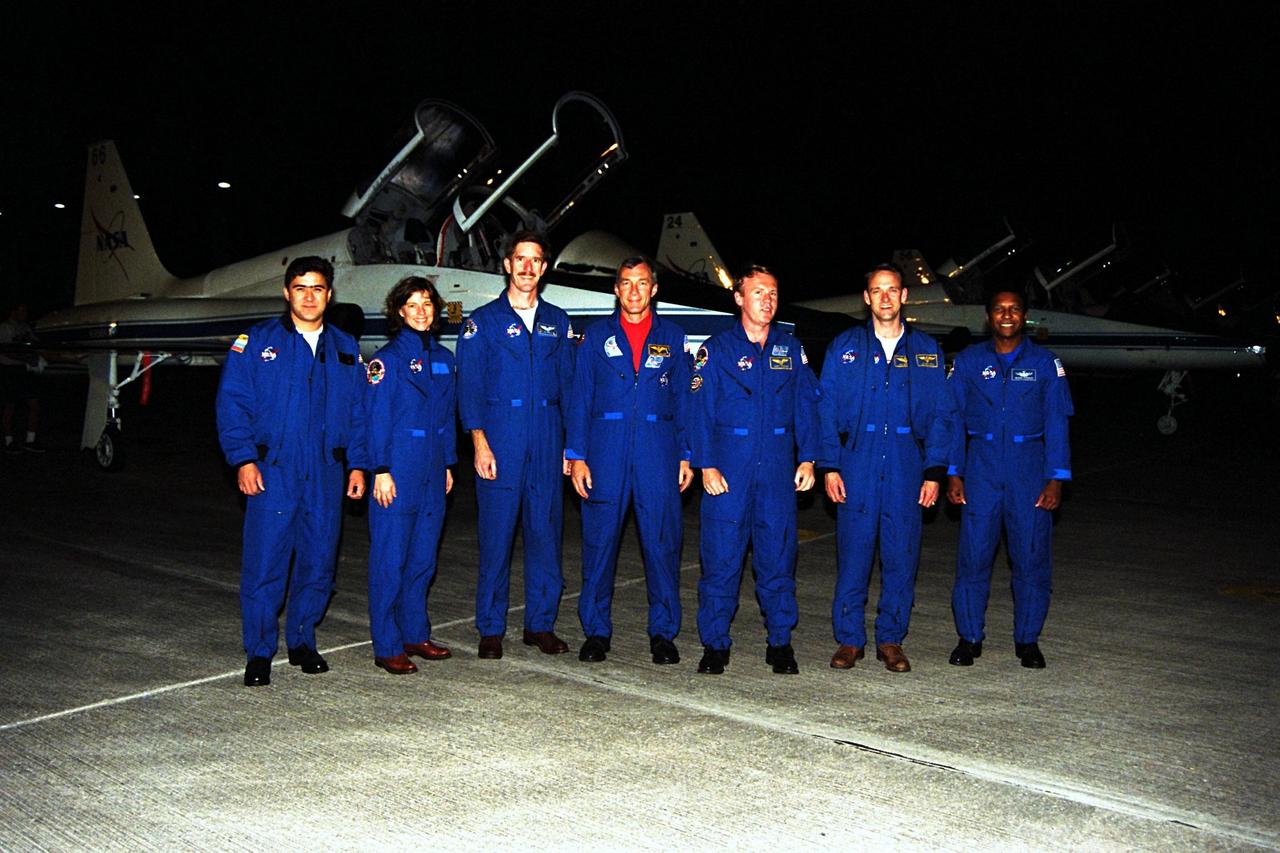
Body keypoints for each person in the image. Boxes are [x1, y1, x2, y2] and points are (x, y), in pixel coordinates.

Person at [215, 257, 368, 687]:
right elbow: (233, 404)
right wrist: (243, 458)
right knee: (266, 564)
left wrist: (358, 464)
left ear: (329, 295)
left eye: (317, 288)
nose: (309, 296)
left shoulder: (345, 347)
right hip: (273, 470)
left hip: (326, 471)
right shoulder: (256, 343)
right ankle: (260, 651)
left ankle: (302, 639)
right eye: (300, 288)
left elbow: (359, 412)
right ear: (286, 293)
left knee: (319, 562)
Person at [687, 264, 821, 675]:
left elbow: (808, 406)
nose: (767, 300)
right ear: (740, 298)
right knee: (722, 560)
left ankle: (780, 641)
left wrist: (809, 458)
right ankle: (715, 644)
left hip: (777, 472)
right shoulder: (717, 349)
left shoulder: (790, 350)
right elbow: (699, 411)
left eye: (773, 293)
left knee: (778, 559)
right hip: (729, 470)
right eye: (759, 292)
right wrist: (705, 464)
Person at [818, 263, 951, 674]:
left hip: (906, 466)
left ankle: (891, 639)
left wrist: (934, 471)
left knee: (901, 556)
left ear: (904, 296)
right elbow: (825, 408)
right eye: (877, 290)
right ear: (867, 298)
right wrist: (830, 465)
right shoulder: (844, 347)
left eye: (893, 290)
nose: (886, 297)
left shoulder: (928, 351)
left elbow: (943, 415)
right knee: (854, 554)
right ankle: (850, 639)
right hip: (856, 463)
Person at [566, 257, 693, 665]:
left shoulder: (673, 337)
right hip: (605, 452)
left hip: (658, 452)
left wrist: (687, 454)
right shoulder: (595, 338)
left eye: (642, 283)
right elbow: (580, 397)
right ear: (616, 290)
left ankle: (663, 633)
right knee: (599, 544)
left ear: (654, 289)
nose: (634, 291)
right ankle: (596, 632)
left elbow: (684, 401)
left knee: (662, 544)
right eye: (626, 283)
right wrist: (577, 455)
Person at [455, 230, 575, 659]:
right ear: (507, 264)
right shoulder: (482, 322)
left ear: (544, 268)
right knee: (497, 537)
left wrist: (571, 447)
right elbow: (468, 387)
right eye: (520, 259)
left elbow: (570, 387)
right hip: (500, 440)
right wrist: (479, 443)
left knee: (545, 534)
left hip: (547, 439)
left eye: (535, 260)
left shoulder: (558, 321)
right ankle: (491, 627)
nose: (527, 268)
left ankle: (540, 624)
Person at [945, 288, 1073, 669]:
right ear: (988, 317)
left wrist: (1056, 478)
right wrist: (954, 471)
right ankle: (969, 638)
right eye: (999, 309)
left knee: (1031, 559)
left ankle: (1028, 640)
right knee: (973, 559)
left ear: (1024, 316)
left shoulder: (1046, 363)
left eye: (1014, 309)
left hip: (1029, 472)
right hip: (981, 471)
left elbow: (1057, 423)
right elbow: (952, 420)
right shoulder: (968, 362)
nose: (1006, 315)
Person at [364, 276, 457, 675]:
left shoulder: (444, 358)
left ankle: (415, 633)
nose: (422, 311)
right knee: (391, 558)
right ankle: (386, 644)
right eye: (413, 304)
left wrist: (450, 463)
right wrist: (380, 469)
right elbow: (375, 420)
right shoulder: (386, 362)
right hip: (398, 468)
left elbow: (448, 416)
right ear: (399, 311)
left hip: (433, 470)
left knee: (422, 557)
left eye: (428, 304)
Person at [0, 302, 45, 454]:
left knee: (34, 404)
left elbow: (34, 343)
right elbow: (5, 350)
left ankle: (30, 440)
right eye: (22, 310)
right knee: (10, 406)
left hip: (25, 370)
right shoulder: (6, 327)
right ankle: (8, 441)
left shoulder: (25, 327)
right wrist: (25, 359)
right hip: (10, 370)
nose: (25, 313)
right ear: (13, 311)